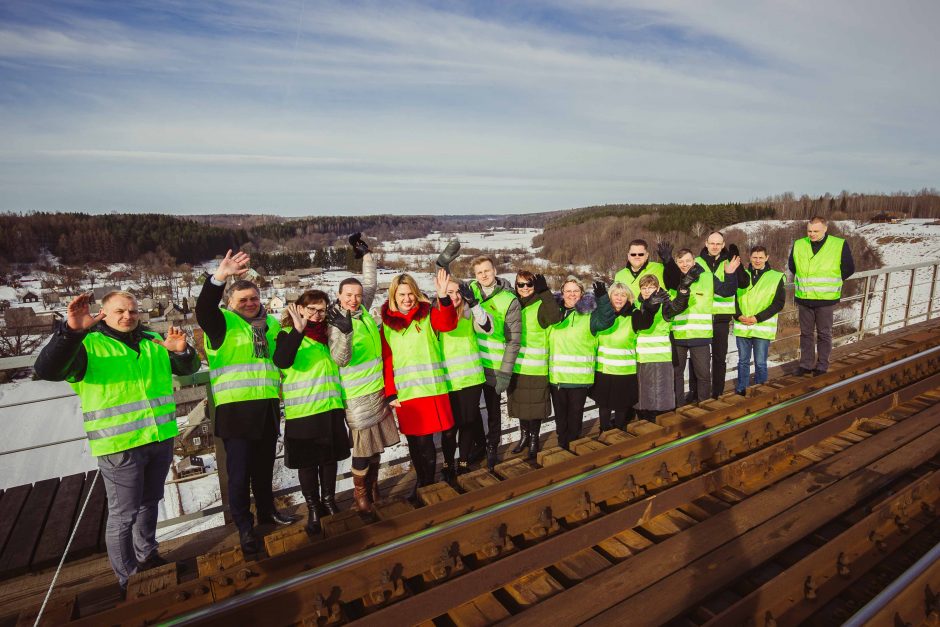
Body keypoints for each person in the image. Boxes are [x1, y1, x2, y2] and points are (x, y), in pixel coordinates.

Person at [34, 291, 200, 590]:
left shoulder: (152, 341)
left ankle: (148, 556)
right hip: (118, 446)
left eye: (133, 311)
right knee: (123, 515)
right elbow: (47, 370)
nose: (128, 316)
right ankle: (128, 577)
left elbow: (189, 370)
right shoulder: (87, 345)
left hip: (158, 437)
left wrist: (181, 352)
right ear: (104, 313)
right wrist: (70, 332)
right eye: (120, 311)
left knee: (151, 503)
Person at [196, 250, 298, 555]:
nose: (250, 303)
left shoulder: (271, 326)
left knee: (264, 468)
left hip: (266, 408)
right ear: (230, 304)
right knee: (238, 475)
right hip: (236, 411)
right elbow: (203, 309)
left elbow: (281, 359)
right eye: (243, 300)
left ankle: (267, 511)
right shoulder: (222, 324)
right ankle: (244, 526)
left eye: (254, 298)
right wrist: (219, 277)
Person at [273, 292, 352, 534]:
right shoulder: (287, 334)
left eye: (322, 310)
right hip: (304, 411)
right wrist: (298, 330)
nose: (318, 315)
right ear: (300, 309)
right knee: (307, 464)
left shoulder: (326, 335)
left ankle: (329, 501)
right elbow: (282, 360)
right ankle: (314, 508)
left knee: (328, 461)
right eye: (312, 309)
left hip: (330, 407)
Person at [333, 233, 400, 511]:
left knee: (376, 447)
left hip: (377, 392)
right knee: (362, 449)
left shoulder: (362, 311)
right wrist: (345, 334)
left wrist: (367, 256)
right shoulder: (334, 322)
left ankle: (373, 489)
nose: (354, 299)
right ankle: (359, 494)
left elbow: (370, 283)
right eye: (349, 295)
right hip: (356, 398)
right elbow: (340, 358)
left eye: (357, 296)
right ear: (339, 295)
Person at [381, 270, 457, 496]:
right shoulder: (386, 325)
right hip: (406, 394)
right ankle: (422, 481)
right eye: (402, 294)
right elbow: (387, 360)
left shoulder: (427, 315)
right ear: (394, 296)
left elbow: (448, 323)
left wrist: (443, 297)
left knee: (427, 442)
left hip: (431, 389)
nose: (407, 299)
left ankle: (427, 485)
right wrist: (390, 393)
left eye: (411, 294)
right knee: (415, 443)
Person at [666, 248, 741, 407]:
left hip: (699, 335)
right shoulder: (673, 279)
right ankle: (677, 407)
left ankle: (703, 405)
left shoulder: (707, 277)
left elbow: (727, 291)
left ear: (694, 261)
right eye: (680, 262)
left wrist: (730, 273)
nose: (684, 264)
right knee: (676, 374)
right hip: (678, 335)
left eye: (688, 261)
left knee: (703, 375)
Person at [468, 255, 521, 469]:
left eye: (487, 271)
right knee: (471, 410)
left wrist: (505, 373)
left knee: (493, 411)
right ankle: (479, 444)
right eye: (479, 272)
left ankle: (492, 447)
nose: (484, 275)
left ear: (495, 270)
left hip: (494, 365)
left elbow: (513, 340)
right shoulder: (469, 291)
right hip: (471, 364)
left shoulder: (509, 299)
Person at [439, 278, 493, 480]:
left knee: (468, 422)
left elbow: (488, 327)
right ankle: (447, 461)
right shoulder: (437, 315)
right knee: (449, 427)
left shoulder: (470, 312)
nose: (454, 296)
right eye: (449, 292)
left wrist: (476, 304)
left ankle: (462, 461)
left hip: (470, 377)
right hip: (447, 379)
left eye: (457, 292)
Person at [548, 277, 610, 450]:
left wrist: (603, 298)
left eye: (576, 291)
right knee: (560, 418)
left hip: (579, 379)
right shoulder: (555, 314)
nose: (571, 294)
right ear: (562, 293)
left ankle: (573, 447)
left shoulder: (590, 315)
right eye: (568, 291)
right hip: (557, 378)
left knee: (575, 417)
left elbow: (606, 320)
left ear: (582, 294)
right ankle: (562, 446)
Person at [788, 216, 855, 375]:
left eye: (816, 231)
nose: (812, 234)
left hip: (825, 299)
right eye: (809, 231)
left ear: (825, 229)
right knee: (806, 334)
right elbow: (792, 266)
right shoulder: (799, 244)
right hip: (804, 298)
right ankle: (806, 364)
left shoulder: (838, 244)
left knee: (824, 334)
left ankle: (822, 365)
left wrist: (834, 280)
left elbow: (849, 268)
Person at [508, 271, 561, 460]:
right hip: (516, 367)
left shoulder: (540, 304)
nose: (524, 288)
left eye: (528, 284)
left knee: (535, 408)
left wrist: (545, 292)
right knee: (521, 406)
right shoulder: (514, 304)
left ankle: (533, 440)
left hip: (535, 367)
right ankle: (523, 437)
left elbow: (555, 318)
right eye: (520, 285)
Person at [682, 232, 741, 399]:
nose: (715, 246)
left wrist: (736, 266)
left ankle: (717, 392)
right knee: (696, 359)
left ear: (723, 245)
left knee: (719, 357)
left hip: (721, 317)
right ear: (706, 243)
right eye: (712, 243)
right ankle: (694, 392)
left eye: (718, 244)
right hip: (701, 318)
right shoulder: (696, 262)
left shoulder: (729, 261)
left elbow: (738, 285)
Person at [633, 275, 690, 420]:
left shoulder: (665, 305)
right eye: (644, 288)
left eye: (651, 287)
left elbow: (678, 306)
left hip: (660, 358)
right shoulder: (637, 305)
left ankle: (661, 423)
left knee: (660, 395)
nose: (647, 291)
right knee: (643, 394)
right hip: (641, 358)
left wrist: (683, 291)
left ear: (657, 288)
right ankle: (644, 421)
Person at [733, 247, 786, 395]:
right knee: (743, 361)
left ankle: (760, 391)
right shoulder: (741, 275)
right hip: (742, 325)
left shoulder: (775, 277)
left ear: (767, 258)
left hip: (762, 326)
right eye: (754, 257)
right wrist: (738, 315)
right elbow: (733, 298)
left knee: (760, 362)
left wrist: (757, 318)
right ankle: (741, 389)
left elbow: (778, 303)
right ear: (749, 257)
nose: (757, 260)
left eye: (760, 258)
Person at [592, 282, 640, 431]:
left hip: (624, 371)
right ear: (609, 297)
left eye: (623, 295)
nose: (619, 298)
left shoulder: (633, 316)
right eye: (615, 294)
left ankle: (619, 430)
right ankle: (603, 430)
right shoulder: (601, 316)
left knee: (621, 406)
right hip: (603, 370)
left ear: (628, 298)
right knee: (604, 405)